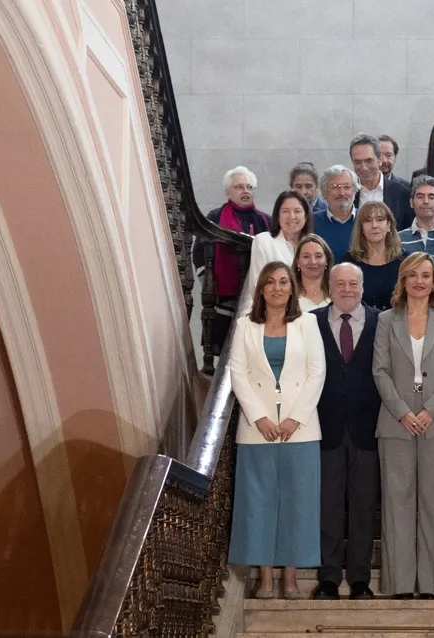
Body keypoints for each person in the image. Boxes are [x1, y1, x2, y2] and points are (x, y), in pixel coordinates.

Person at [228, 261, 326, 599]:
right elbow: (238, 373)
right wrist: (259, 417)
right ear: (261, 289)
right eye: (270, 282)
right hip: (258, 428)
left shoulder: (307, 323)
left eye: (283, 281)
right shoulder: (245, 326)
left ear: (292, 287)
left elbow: (317, 372)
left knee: (298, 502)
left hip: (300, 428)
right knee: (259, 502)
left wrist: (295, 418)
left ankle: (291, 577)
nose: (277, 288)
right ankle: (266, 578)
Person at [373, 253, 434, 599]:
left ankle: (431, 584)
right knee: (397, 502)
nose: (419, 281)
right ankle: (399, 584)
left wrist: (429, 410)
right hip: (395, 423)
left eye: (425, 275)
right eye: (412, 275)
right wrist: (401, 411)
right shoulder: (386, 320)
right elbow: (380, 370)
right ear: (403, 280)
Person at [311, 263, 382, 601]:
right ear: (330, 286)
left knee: (364, 506)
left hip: (369, 427)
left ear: (363, 287)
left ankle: (359, 579)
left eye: (354, 283)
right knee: (328, 505)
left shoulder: (382, 321)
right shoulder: (310, 322)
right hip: (325, 427)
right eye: (340, 283)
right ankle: (328, 577)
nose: (347, 289)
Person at [192, 166, 270, 351]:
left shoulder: (266, 220)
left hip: (257, 296)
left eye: (249, 187)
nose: (245, 191)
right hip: (223, 298)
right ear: (228, 192)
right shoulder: (215, 217)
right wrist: (208, 282)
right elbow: (199, 253)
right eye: (239, 187)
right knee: (225, 351)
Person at [240, 190, 313, 314]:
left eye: (297, 211)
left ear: (306, 216)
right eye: (285, 211)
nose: (292, 216)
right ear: (278, 217)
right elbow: (257, 285)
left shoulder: (313, 244)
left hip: (306, 308)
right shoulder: (263, 241)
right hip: (266, 309)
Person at [341, 202, 408, 311]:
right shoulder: (349, 261)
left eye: (380, 219)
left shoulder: (405, 260)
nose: (374, 225)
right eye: (368, 221)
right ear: (361, 228)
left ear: (388, 225)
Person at [350, 133, 413, 230]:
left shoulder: (402, 194)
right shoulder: (348, 193)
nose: (364, 167)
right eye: (357, 162)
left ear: (379, 160)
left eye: (369, 161)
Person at [312, 165, 359, 262]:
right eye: (335, 187)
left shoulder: (366, 219)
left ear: (354, 191)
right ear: (323, 193)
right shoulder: (312, 222)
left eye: (347, 187)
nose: (342, 193)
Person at [293, 234, 333, 311]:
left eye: (318, 256)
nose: (313, 262)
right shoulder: (288, 294)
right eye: (306, 256)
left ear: (327, 261)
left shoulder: (338, 292)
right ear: (298, 262)